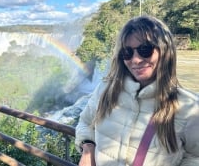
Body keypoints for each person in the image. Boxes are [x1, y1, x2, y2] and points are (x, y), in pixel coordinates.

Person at [75, 15, 199, 166]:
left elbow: (195, 156)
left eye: (145, 49)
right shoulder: (106, 90)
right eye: (127, 52)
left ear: (165, 51)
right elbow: (86, 121)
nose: (135, 60)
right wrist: (88, 147)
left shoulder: (189, 107)